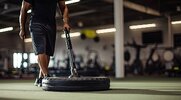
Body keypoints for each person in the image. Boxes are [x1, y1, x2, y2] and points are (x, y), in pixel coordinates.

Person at [19, 0, 70, 87]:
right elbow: (24, 9)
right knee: (40, 50)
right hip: (36, 23)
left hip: (51, 24)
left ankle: (40, 78)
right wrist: (22, 28)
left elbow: (64, 7)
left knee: (48, 52)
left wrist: (65, 22)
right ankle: (47, 76)